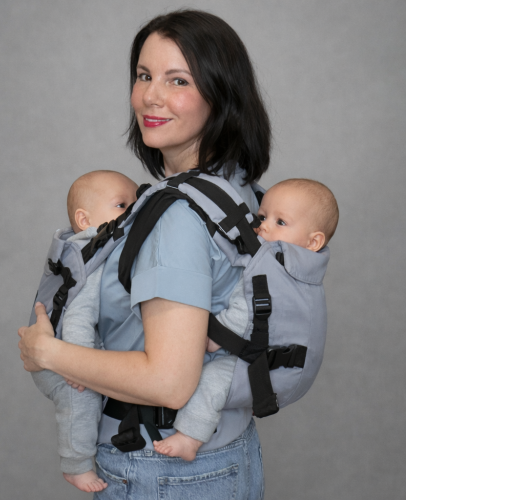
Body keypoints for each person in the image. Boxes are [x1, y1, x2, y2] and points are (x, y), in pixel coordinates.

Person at [18, 10, 272, 499]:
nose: (151, 96)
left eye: (178, 80)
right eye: (143, 75)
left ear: (221, 95)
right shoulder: (239, 189)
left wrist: (48, 353)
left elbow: (169, 382)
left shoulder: (176, 216)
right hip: (227, 453)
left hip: (162, 469)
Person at [152, 178, 339, 461]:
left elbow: (247, 311)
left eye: (280, 222)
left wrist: (215, 338)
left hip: (270, 371)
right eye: (262, 217)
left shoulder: (273, 266)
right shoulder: (303, 269)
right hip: (286, 370)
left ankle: (189, 438)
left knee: (210, 381)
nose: (264, 227)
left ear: (314, 242)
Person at [31, 170, 137, 493]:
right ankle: (75, 465)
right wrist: (75, 365)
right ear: (84, 219)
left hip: (58, 349)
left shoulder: (81, 249)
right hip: (62, 358)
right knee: (82, 401)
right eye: (121, 205)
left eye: (136, 203)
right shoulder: (93, 260)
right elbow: (78, 317)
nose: (132, 211)